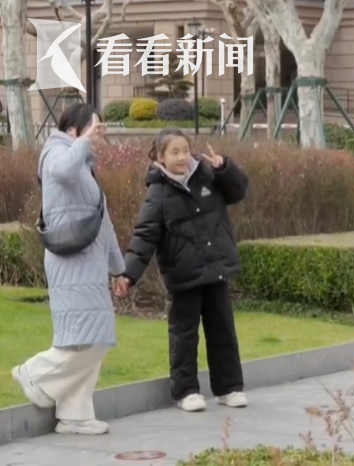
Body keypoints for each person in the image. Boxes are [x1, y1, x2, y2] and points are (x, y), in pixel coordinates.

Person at [115, 128, 250, 412]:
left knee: (223, 331)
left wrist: (224, 169)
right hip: (183, 275)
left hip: (215, 269)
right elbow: (144, 236)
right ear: (160, 157)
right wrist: (128, 274)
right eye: (174, 152)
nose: (181, 157)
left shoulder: (208, 176)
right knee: (184, 336)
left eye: (185, 150)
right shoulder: (158, 194)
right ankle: (186, 391)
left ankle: (228, 388)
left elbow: (238, 191)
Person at [11, 103, 124, 435]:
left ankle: (75, 414)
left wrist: (119, 269)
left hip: (88, 263)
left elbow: (103, 223)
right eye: (94, 128)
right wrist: (85, 143)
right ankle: (35, 373)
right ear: (74, 129)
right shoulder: (55, 152)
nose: (98, 136)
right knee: (92, 338)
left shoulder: (83, 165)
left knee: (84, 339)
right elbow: (61, 172)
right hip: (71, 262)